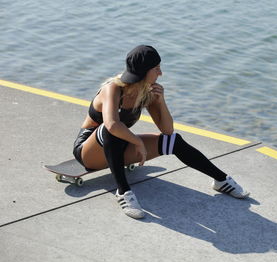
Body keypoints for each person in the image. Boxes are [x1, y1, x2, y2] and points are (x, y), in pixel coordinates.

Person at [73, 45, 249, 219]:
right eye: (156, 69)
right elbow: (111, 125)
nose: (161, 73)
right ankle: (123, 192)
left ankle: (221, 180)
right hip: (89, 151)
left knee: (173, 140)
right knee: (112, 129)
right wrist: (138, 142)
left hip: (119, 149)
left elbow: (167, 129)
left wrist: (160, 100)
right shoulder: (113, 89)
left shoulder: (147, 91)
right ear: (143, 72)